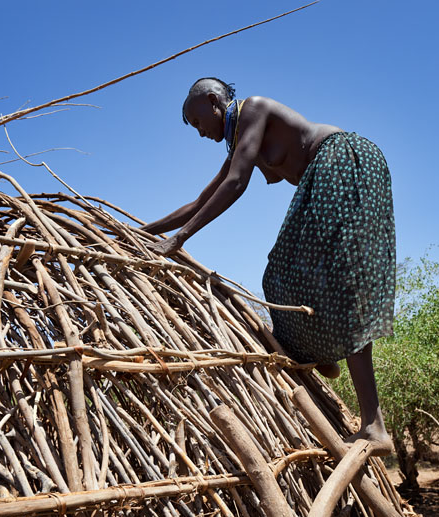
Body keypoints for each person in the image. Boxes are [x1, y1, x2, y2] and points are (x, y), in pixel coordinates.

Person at [142, 77, 395, 453]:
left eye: (198, 123)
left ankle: (373, 423)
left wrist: (179, 240)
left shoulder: (254, 108)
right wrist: (143, 232)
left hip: (343, 161)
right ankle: (316, 355)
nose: (200, 134)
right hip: (330, 173)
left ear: (214, 102)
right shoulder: (242, 141)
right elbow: (198, 202)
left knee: (327, 281)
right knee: (286, 275)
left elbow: (236, 184)